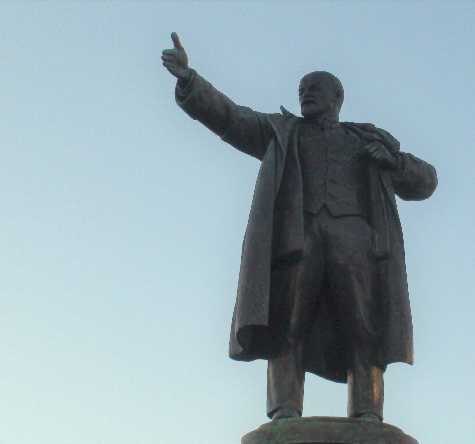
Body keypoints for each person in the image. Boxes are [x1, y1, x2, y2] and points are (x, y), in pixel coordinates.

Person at [161, 32, 437, 422]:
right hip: (297, 237)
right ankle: (284, 408)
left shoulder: (367, 140)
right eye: (301, 88)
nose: (305, 93)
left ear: (336, 99)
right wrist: (190, 81)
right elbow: (230, 116)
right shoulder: (281, 131)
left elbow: (426, 181)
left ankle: (367, 412)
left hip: (356, 239)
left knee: (364, 326)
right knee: (286, 324)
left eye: (314, 88)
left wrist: (394, 163)